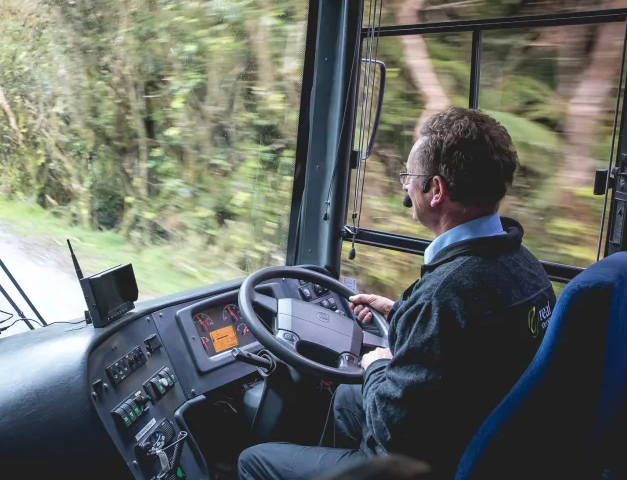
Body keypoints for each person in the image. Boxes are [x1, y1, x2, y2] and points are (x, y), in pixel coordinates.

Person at [238, 107, 557, 479]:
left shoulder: (446, 294)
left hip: (423, 462)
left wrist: (377, 365)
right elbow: (468, 347)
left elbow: (394, 429)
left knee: (254, 460)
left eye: (409, 176)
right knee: (345, 397)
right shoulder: (523, 264)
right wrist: (402, 314)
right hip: (478, 436)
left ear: (435, 190)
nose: (405, 186)